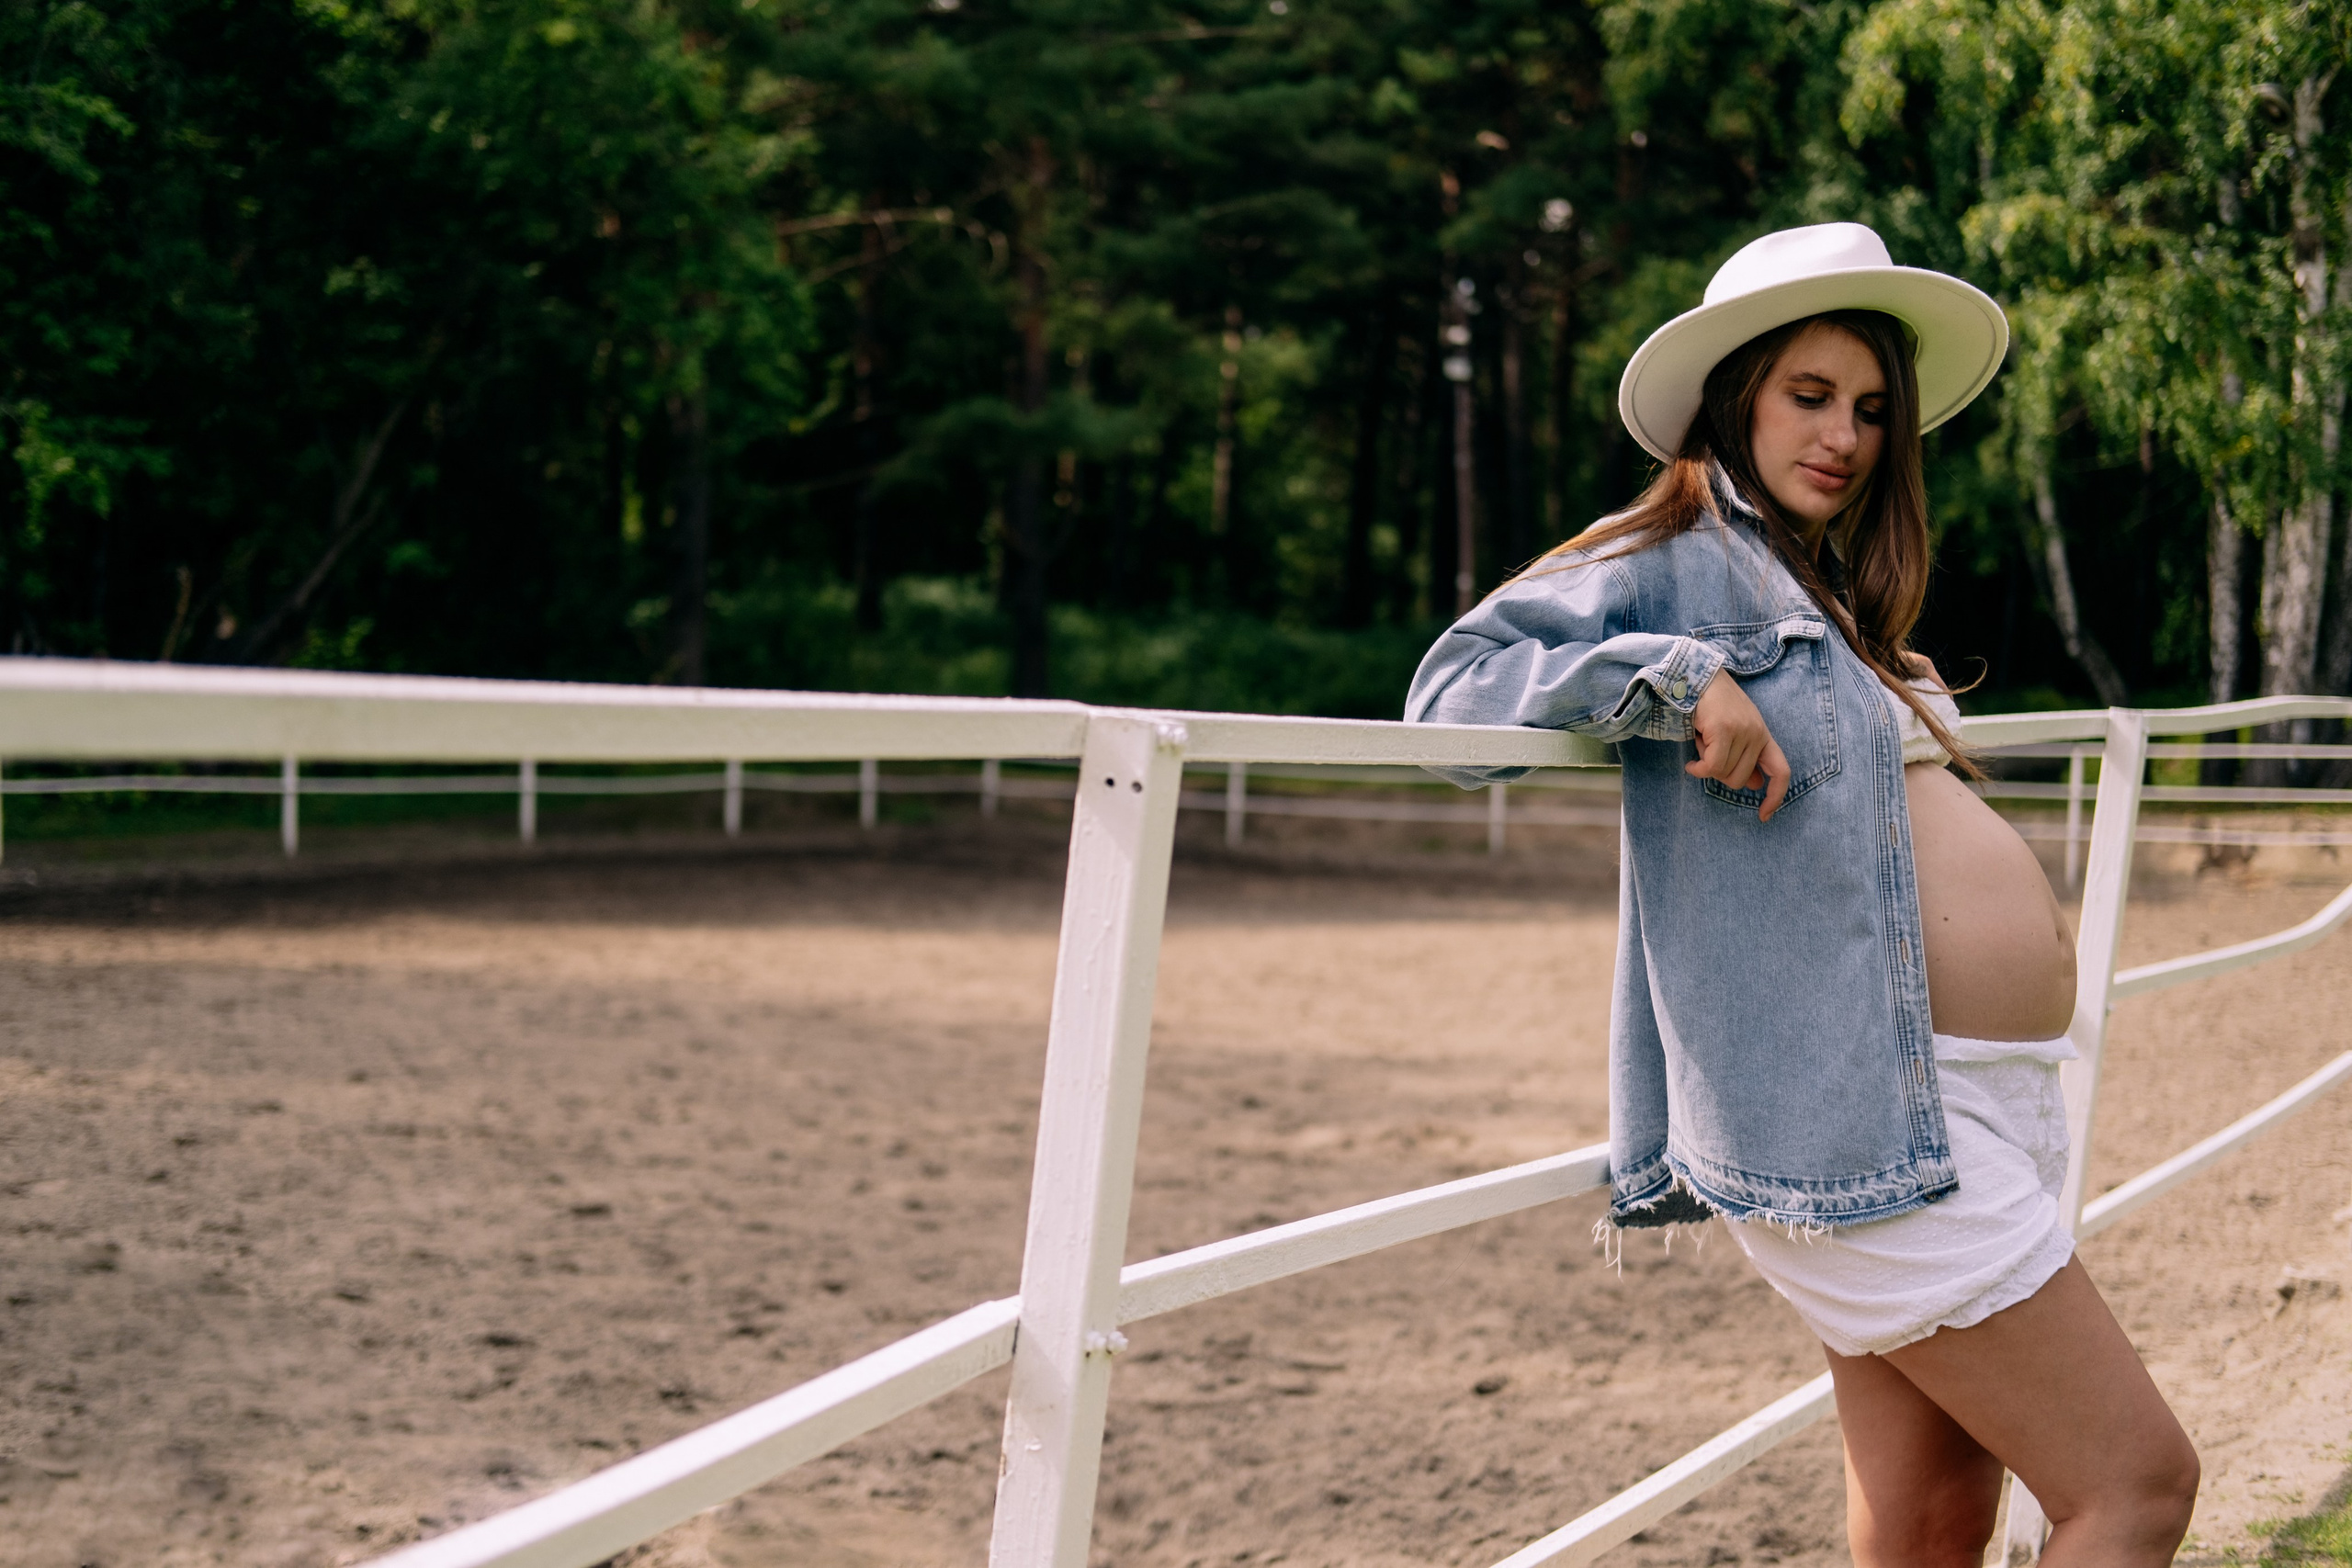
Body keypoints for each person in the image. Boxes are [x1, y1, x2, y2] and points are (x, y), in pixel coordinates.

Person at [1404, 224, 2199, 1566]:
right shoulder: (1672, 551)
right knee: (2137, 1485)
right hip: (1864, 1115)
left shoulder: (1823, 592)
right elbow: (1453, 694)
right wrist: (1677, 679)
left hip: (1969, 1102)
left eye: (1872, 410)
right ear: (1736, 397)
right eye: (1809, 396)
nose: (1844, 435)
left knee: (1939, 1522)